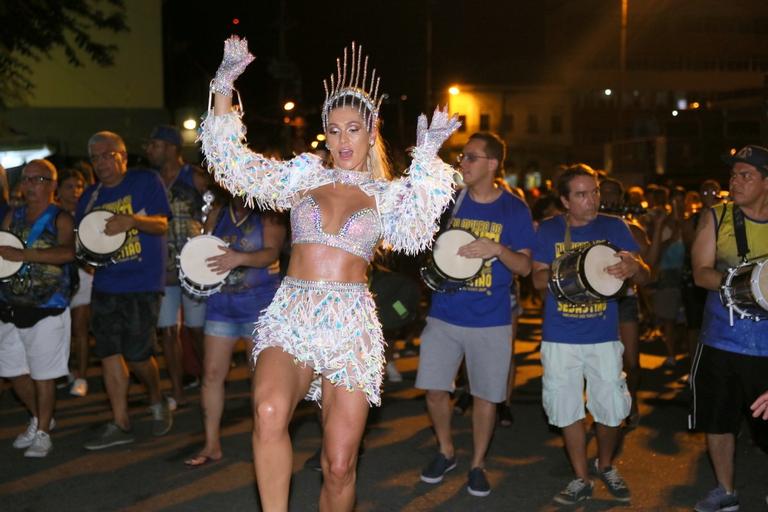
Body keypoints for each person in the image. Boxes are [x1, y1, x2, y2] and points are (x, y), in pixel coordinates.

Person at [199, 37, 459, 511]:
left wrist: (428, 157)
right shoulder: (302, 177)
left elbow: (417, 229)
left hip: (351, 324)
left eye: (354, 129)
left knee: (339, 465)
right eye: (334, 129)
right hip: (292, 314)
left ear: (371, 131)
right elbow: (232, 164)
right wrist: (224, 83)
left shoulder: (388, 196)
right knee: (269, 410)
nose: (343, 140)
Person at [414, 132, 534, 497]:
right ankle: (446, 450)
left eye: (470, 157)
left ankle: (477, 463)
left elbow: (526, 268)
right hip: (445, 313)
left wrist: (496, 248)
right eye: (462, 157)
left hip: (491, 318)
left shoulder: (514, 209)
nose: (462, 163)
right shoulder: (450, 202)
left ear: (493, 164)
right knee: (435, 390)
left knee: (486, 397)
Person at [532, 164, 650, 505]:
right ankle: (581, 476)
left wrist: (634, 267)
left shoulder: (615, 227)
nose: (592, 200)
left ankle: (606, 463)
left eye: (594, 191)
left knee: (612, 408)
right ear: (566, 201)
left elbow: (644, 275)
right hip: (560, 336)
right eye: (582, 195)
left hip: (603, 334)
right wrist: (570, 272)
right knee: (567, 409)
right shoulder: (550, 230)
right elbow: (537, 280)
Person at [78, 131, 174, 450]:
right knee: (108, 352)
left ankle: (156, 397)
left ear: (123, 156)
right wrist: (87, 256)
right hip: (106, 283)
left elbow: (161, 224)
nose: (102, 162)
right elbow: (85, 241)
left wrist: (130, 221)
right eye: (96, 157)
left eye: (108, 155)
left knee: (137, 354)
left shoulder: (145, 182)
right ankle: (121, 422)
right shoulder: (89, 197)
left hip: (142, 283)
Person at [689, 145, 768, 512]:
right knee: (718, 420)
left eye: (745, 175)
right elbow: (700, 271)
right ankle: (725, 490)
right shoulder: (716, 217)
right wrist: (742, 285)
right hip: (720, 339)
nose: (734, 182)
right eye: (733, 175)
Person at [184, 195, 285, 467]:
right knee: (212, 375)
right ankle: (211, 444)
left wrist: (238, 258)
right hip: (220, 305)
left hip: (258, 307)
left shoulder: (268, 213)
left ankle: (263, 440)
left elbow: (272, 252)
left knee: (259, 379)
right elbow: (204, 248)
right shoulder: (218, 211)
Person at [0, 159, 76, 457]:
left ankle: (43, 432)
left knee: (43, 375)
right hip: (9, 306)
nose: (29, 184)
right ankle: (39, 417)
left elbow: (68, 252)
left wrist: (24, 254)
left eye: (37, 179)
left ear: (52, 185)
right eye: (26, 179)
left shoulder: (61, 218)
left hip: (48, 307)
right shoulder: (12, 215)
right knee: (14, 371)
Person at [145, 125, 206, 408]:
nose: (149, 150)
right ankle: (178, 389)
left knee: (196, 330)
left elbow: (219, 203)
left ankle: (209, 380)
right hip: (162, 264)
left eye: (154, 144)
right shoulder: (150, 180)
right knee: (168, 330)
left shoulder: (194, 176)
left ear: (171, 147)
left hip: (194, 264)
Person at [599, 177, 650, 428]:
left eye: (613, 194)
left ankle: (633, 401)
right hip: (596, 301)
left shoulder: (631, 228)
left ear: (621, 199)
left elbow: (646, 264)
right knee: (600, 360)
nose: (608, 198)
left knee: (631, 360)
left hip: (624, 300)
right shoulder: (589, 225)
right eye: (603, 192)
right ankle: (605, 410)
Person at [57, 168, 92, 397]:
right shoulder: (53, 215)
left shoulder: (87, 213)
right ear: (58, 190)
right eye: (69, 186)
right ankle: (63, 370)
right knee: (61, 329)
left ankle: (81, 375)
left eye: (79, 186)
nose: (75, 191)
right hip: (59, 279)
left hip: (85, 277)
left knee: (80, 328)